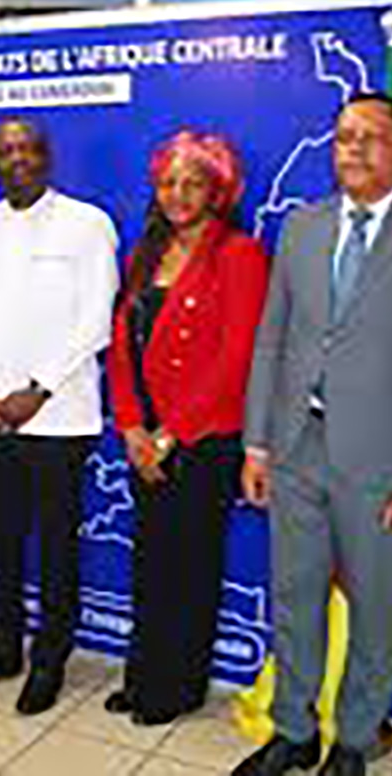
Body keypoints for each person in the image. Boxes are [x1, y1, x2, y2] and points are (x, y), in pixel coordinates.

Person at [234, 93, 392, 776]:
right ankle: (293, 731)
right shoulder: (303, 227)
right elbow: (272, 341)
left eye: (372, 137)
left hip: (385, 466)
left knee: (375, 610)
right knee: (295, 599)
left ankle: (354, 740)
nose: (355, 149)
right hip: (296, 450)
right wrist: (257, 444)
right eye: (345, 137)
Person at [0, 118, 119, 716]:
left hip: (57, 420)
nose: (16, 158)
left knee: (55, 550)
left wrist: (38, 388)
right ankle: (3, 651)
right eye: (4, 151)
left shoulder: (87, 224)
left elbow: (96, 319)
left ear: (47, 156)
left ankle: (49, 660)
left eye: (27, 148)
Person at [104, 131, 268, 725]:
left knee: (190, 569)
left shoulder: (241, 255)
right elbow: (121, 348)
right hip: (146, 441)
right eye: (169, 182)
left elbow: (238, 357)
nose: (178, 194)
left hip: (203, 442)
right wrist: (131, 427)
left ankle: (177, 687)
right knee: (150, 565)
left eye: (193, 183)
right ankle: (143, 674)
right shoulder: (143, 255)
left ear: (216, 191)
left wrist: (170, 434)